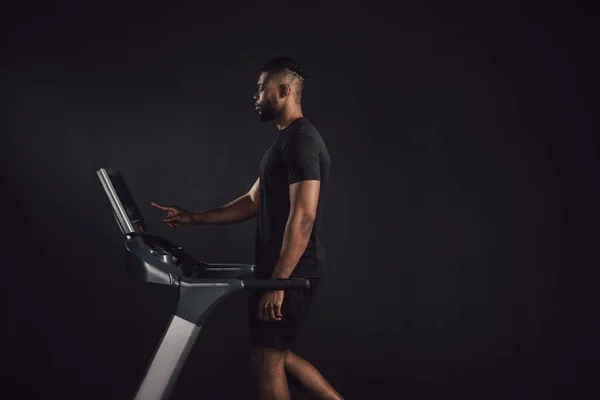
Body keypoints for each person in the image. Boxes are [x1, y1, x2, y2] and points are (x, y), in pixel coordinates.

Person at [152, 57, 343, 400]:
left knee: (267, 360)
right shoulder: (283, 143)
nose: (255, 96)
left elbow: (303, 217)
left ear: (283, 92)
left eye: (261, 88)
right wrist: (194, 217)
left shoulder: (302, 141)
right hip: (279, 270)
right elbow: (252, 202)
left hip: (292, 271)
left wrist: (279, 282)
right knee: (274, 357)